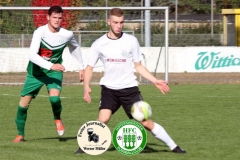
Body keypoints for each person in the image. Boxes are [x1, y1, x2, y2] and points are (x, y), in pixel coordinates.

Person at [75, 8, 185, 154]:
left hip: (129, 89)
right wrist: (86, 86)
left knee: (145, 122)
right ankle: (85, 147)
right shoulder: (99, 43)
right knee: (103, 119)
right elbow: (89, 68)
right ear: (109, 22)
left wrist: (154, 81)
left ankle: (174, 146)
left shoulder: (131, 41)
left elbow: (138, 66)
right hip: (109, 89)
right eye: (115, 22)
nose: (119, 26)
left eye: (121, 22)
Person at [13, 6, 84, 142]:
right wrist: (51, 65)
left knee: (54, 99)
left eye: (59, 18)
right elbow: (32, 55)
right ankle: (20, 135)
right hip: (36, 72)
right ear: (48, 17)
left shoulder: (67, 34)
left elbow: (75, 47)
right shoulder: (40, 32)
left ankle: (57, 119)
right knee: (23, 105)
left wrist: (81, 67)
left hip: (54, 73)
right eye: (54, 17)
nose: (57, 20)